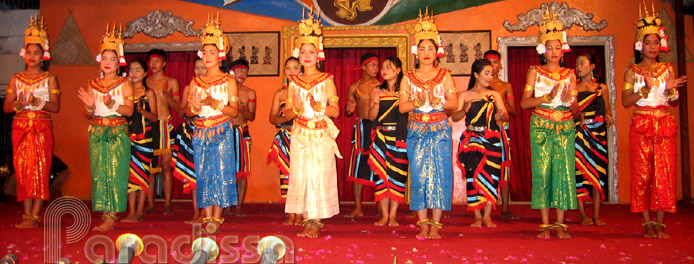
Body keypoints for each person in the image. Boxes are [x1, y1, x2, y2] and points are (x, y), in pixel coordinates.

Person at [622, 4, 686, 239]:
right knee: (642, 174)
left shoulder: (667, 69)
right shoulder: (632, 70)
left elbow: (675, 103)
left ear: (661, 45)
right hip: (641, 124)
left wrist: (669, 91)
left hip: (665, 124)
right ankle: (646, 221)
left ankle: (661, 222)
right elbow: (626, 101)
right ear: (640, 45)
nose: (652, 47)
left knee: (665, 173)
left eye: (656, 43)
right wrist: (644, 92)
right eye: (648, 43)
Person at [283, 7, 341, 238]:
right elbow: (287, 113)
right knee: (301, 174)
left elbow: (336, 112)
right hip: (300, 132)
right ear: (298, 53)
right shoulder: (294, 82)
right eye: (304, 51)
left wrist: (322, 107)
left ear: (319, 54)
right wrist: (296, 108)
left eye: (312, 51)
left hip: (320, 133)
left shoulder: (327, 80)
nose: (307, 55)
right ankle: (306, 217)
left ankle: (316, 220)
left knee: (319, 173)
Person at [399, 8, 457, 240]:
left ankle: (436, 224)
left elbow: (453, 103)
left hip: (440, 129)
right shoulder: (408, 76)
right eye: (421, 48)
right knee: (419, 175)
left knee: (441, 174)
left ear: (437, 52)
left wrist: (437, 101)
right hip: (416, 129)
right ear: (416, 51)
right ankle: (423, 222)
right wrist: (416, 101)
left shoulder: (445, 75)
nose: (426, 52)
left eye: (430, 48)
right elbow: (402, 107)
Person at [519, 9, 578, 239]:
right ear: (543, 50)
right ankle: (545, 224)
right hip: (542, 125)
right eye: (550, 47)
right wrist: (545, 98)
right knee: (543, 173)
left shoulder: (570, 74)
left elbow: (575, 111)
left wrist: (568, 101)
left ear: (563, 49)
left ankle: (561, 224)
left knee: (563, 173)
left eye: (558, 47)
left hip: (564, 125)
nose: (555, 52)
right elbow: (524, 104)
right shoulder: (535, 72)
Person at [184, 14, 239, 234]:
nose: (208, 57)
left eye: (212, 52)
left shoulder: (229, 80)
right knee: (204, 172)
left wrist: (214, 103)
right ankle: (207, 217)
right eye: (204, 53)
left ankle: (217, 218)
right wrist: (195, 107)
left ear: (220, 55)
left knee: (222, 172)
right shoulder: (195, 81)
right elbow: (189, 111)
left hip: (222, 129)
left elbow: (234, 112)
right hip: (200, 130)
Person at [77, 23, 134, 231]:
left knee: (116, 173)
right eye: (105, 58)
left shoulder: (125, 83)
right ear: (98, 60)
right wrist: (91, 107)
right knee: (99, 173)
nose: (108, 62)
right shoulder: (93, 84)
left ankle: (112, 216)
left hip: (117, 131)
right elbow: (87, 113)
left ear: (119, 62)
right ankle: (104, 214)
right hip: (98, 131)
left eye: (113, 59)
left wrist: (114, 105)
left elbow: (129, 112)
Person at [4, 15, 60, 228]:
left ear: (43, 55)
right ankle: (26, 214)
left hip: (41, 126)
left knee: (40, 169)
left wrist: (38, 101)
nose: (32, 56)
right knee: (22, 170)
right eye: (29, 52)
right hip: (20, 127)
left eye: (36, 53)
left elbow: (55, 107)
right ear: (24, 53)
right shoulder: (16, 78)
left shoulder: (50, 78)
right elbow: (6, 107)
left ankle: (35, 215)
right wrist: (19, 103)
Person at [452, 59, 509, 228]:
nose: (490, 76)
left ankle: (488, 215)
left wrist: (501, 117)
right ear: (476, 75)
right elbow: (454, 117)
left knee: (491, 176)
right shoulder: (464, 94)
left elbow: (505, 116)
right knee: (472, 175)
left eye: (492, 73)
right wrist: (464, 110)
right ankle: (477, 215)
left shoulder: (495, 95)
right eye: (486, 73)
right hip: (472, 139)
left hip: (491, 139)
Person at [367, 56, 408, 227]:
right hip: (381, 138)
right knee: (381, 178)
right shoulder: (378, 90)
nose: (384, 70)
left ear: (398, 70)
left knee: (398, 176)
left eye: (389, 67)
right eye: (383, 67)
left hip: (400, 139)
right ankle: (384, 215)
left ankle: (393, 215)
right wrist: (375, 103)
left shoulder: (406, 92)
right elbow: (371, 117)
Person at [574, 53, 612, 226]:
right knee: (579, 173)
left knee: (598, 172)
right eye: (577, 64)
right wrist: (576, 114)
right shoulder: (573, 88)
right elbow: (570, 112)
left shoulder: (601, 88)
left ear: (592, 66)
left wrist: (609, 117)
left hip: (597, 134)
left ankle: (596, 214)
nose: (578, 67)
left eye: (582, 63)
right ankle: (582, 214)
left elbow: (608, 110)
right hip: (579, 133)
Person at [483, 50, 518, 219]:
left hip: (501, 129)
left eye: (495, 62)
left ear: (500, 65)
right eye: (488, 63)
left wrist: (501, 107)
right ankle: (483, 205)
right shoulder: (479, 86)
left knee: (503, 167)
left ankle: (505, 208)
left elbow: (513, 110)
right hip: (483, 131)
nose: (492, 66)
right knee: (483, 166)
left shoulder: (505, 86)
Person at [122, 59, 158, 223]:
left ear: (144, 73)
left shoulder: (148, 93)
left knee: (142, 174)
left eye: (138, 70)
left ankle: (140, 211)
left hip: (144, 138)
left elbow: (155, 117)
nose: (134, 73)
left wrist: (142, 111)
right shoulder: (124, 92)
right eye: (131, 70)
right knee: (129, 176)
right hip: (126, 137)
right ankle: (131, 211)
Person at [345, 53, 380, 218]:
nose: (376, 69)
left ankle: (381, 206)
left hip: (376, 127)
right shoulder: (354, 87)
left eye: (377, 65)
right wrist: (348, 110)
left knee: (379, 163)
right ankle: (358, 207)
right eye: (373, 65)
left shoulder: (380, 85)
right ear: (364, 67)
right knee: (358, 165)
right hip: (360, 128)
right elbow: (347, 110)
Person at [267, 57, 302, 225]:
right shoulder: (280, 93)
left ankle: (301, 212)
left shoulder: (306, 91)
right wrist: (286, 118)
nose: (292, 71)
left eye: (295, 67)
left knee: (301, 175)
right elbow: (272, 118)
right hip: (285, 138)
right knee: (287, 175)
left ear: (301, 69)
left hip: (303, 137)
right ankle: (290, 212)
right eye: (288, 68)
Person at [146, 49, 181, 215]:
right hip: (150, 127)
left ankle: (167, 203)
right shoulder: (145, 81)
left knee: (166, 167)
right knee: (150, 167)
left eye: (157, 61)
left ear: (164, 63)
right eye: (151, 61)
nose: (154, 64)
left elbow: (178, 108)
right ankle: (150, 203)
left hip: (165, 125)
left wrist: (166, 95)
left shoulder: (172, 81)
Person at [172, 58, 206, 224]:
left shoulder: (216, 87)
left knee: (206, 174)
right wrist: (193, 108)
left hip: (209, 132)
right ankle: (195, 211)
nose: (200, 71)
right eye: (197, 67)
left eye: (203, 67)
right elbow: (180, 111)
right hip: (191, 132)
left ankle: (207, 213)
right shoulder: (189, 88)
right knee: (193, 174)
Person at [226, 58, 257, 217]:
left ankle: (238, 207)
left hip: (241, 131)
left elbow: (252, 116)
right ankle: (224, 206)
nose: (242, 74)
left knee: (242, 172)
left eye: (245, 71)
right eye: (239, 70)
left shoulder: (249, 92)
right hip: (224, 132)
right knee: (225, 171)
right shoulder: (222, 89)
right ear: (231, 71)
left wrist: (241, 110)